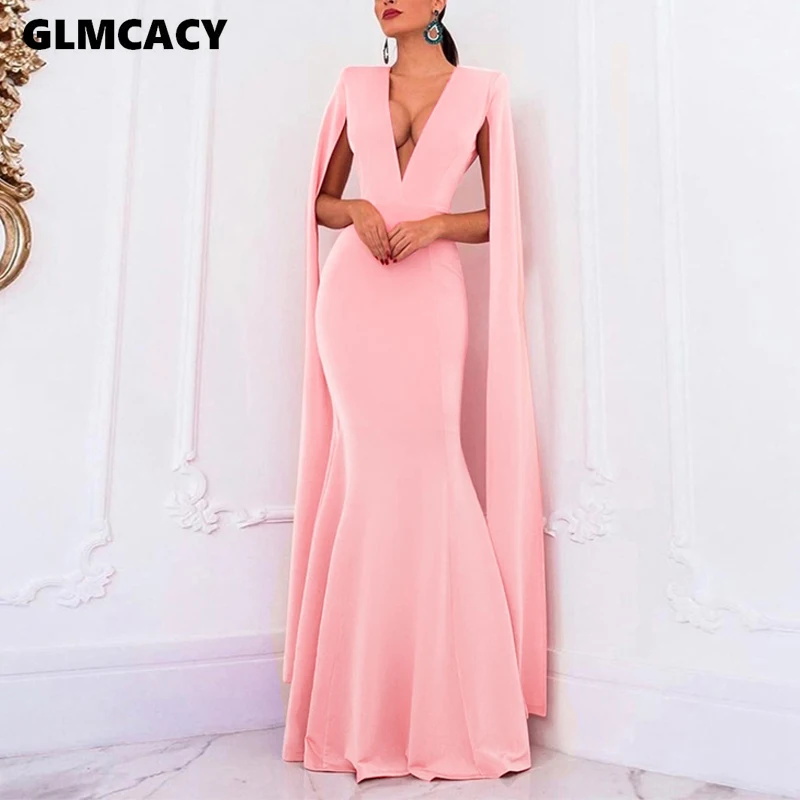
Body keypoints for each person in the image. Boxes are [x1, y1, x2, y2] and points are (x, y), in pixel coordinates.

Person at [281, 0, 548, 783]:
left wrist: (434, 226)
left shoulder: (485, 90)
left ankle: (454, 711)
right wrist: (358, 208)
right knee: (363, 478)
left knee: (434, 470)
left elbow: (503, 216)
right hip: (354, 297)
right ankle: (356, 714)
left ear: (440, 4)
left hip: (430, 295)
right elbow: (319, 202)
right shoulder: (355, 85)